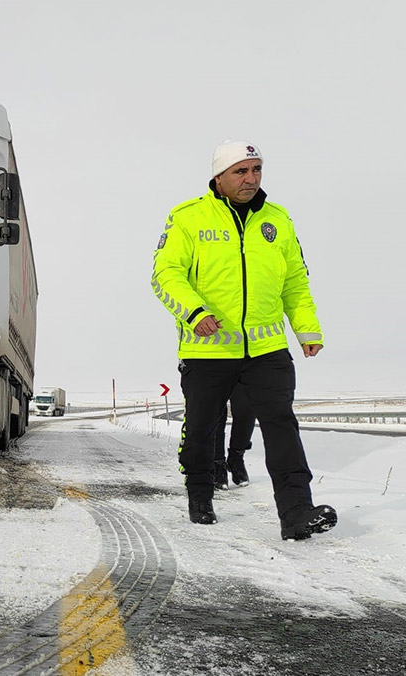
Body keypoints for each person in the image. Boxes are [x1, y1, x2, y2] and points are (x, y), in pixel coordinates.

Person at [151, 140, 337, 541]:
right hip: (208, 349)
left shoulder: (278, 221)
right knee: (201, 428)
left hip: (267, 350)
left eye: (256, 170)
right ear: (218, 177)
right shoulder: (188, 217)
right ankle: (200, 494)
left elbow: (295, 282)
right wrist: (194, 312)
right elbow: (165, 275)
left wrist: (308, 328)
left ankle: (297, 513)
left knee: (281, 425)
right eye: (241, 171)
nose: (251, 179)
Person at [213, 384, 255, 490]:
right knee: (216, 412)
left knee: (246, 409)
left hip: (242, 370)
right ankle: (217, 463)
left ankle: (236, 457)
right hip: (214, 371)